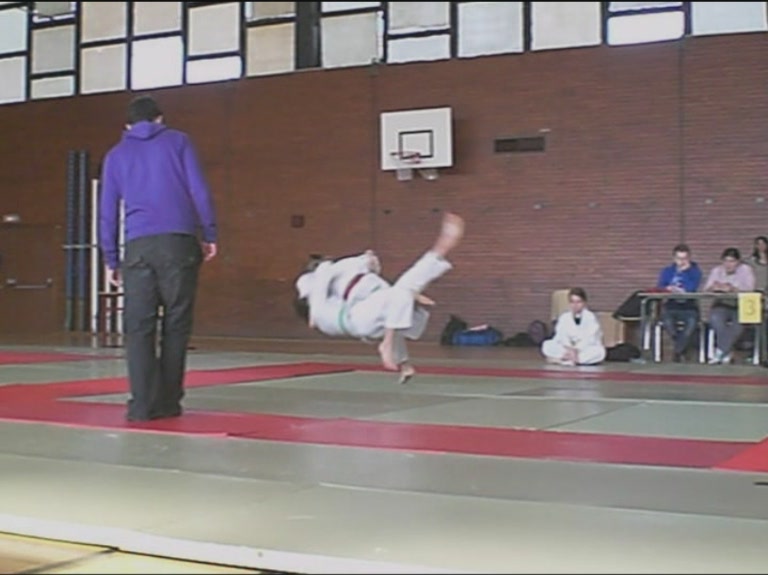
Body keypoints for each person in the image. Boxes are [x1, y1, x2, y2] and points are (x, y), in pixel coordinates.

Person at [99, 95, 217, 421]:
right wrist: (209, 234)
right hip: (179, 242)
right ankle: (168, 403)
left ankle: (141, 405)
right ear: (160, 119)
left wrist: (111, 258)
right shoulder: (180, 142)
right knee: (176, 325)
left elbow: (107, 212)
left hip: (138, 246)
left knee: (138, 328)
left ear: (127, 125)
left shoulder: (116, 155)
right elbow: (199, 190)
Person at [294, 213, 465, 383]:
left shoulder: (346, 273)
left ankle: (439, 250)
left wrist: (368, 259)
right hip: (360, 318)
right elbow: (317, 284)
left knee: (400, 297)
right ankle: (387, 344)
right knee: (400, 296)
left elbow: (370, 266)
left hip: (370, 311)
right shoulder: (317, 282)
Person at [705, 247, 755, 365]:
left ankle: (721, 351)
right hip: (722, 304)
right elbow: (706, 289)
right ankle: (727, 352)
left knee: (738, 324)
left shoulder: (746, 270)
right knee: (715, 319)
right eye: (726, 261)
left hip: (740, 305)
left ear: (738, 262)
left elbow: (750, 289)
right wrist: (714, 287)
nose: (728, 265)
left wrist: (733, 289)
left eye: (732, 261)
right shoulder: (717, 271)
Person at [656, 243, 703, 362]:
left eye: (684, 258)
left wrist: (684, 273)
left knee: (691, 324)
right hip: (672, 304)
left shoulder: (695, 271)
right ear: (674, 258)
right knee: (667, 321)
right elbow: (660, 286)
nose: (681, 262)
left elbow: (692, 287)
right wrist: (667, 288)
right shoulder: (667, 271)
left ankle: (677, 351)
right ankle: (681, 348)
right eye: (679, 258)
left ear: (689, 258)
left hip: (689, 306)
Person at [542, 288, 606, 366]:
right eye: (572, 302)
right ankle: (572, 360)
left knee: (599, 352)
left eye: (578, 302)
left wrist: (577, 349)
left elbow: (590, 337)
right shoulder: (564, 317)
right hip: (567, 349)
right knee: (547, 345)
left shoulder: (590, 317)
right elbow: (561, 335)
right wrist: (569, 348)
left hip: (584, 349)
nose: (575, 305)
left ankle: (564, 360)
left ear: (584, 303)